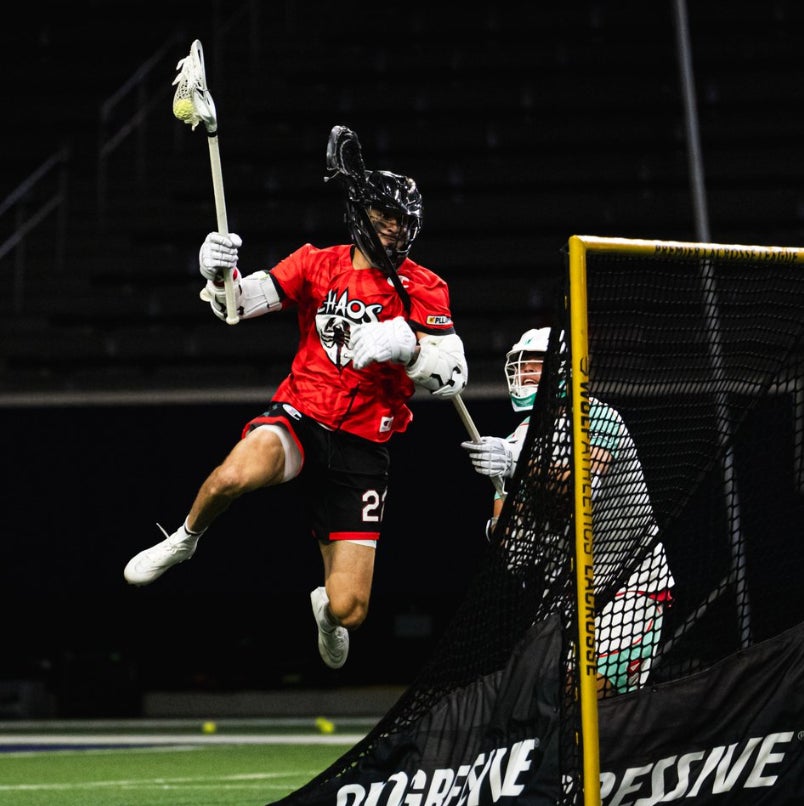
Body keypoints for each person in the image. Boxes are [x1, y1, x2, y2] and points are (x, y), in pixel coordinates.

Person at [123, 132, 468, 671]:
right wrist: (217, 274)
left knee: (351, 610)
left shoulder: (423, 286)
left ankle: (324, 614)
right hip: (302, 416)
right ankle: (186, 538)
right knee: (232, 477)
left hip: (362, 448)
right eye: (384, 216)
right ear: (360, 214)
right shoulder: (315, 263)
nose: (394, 228)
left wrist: (409, 346)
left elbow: (453, 373)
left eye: (402, 220)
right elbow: (236, 306)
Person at [461, 327, 674, 696]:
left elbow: (581, 487)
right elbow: (509, 541)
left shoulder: (597, 417)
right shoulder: (518, 439)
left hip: (629, 583)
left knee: (592, 695)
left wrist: (518, 464)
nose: (524, 374)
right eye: (520, 367)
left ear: (562, 370)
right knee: (545, 699)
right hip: (566, 593)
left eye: (534, 366)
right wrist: (501, 521)